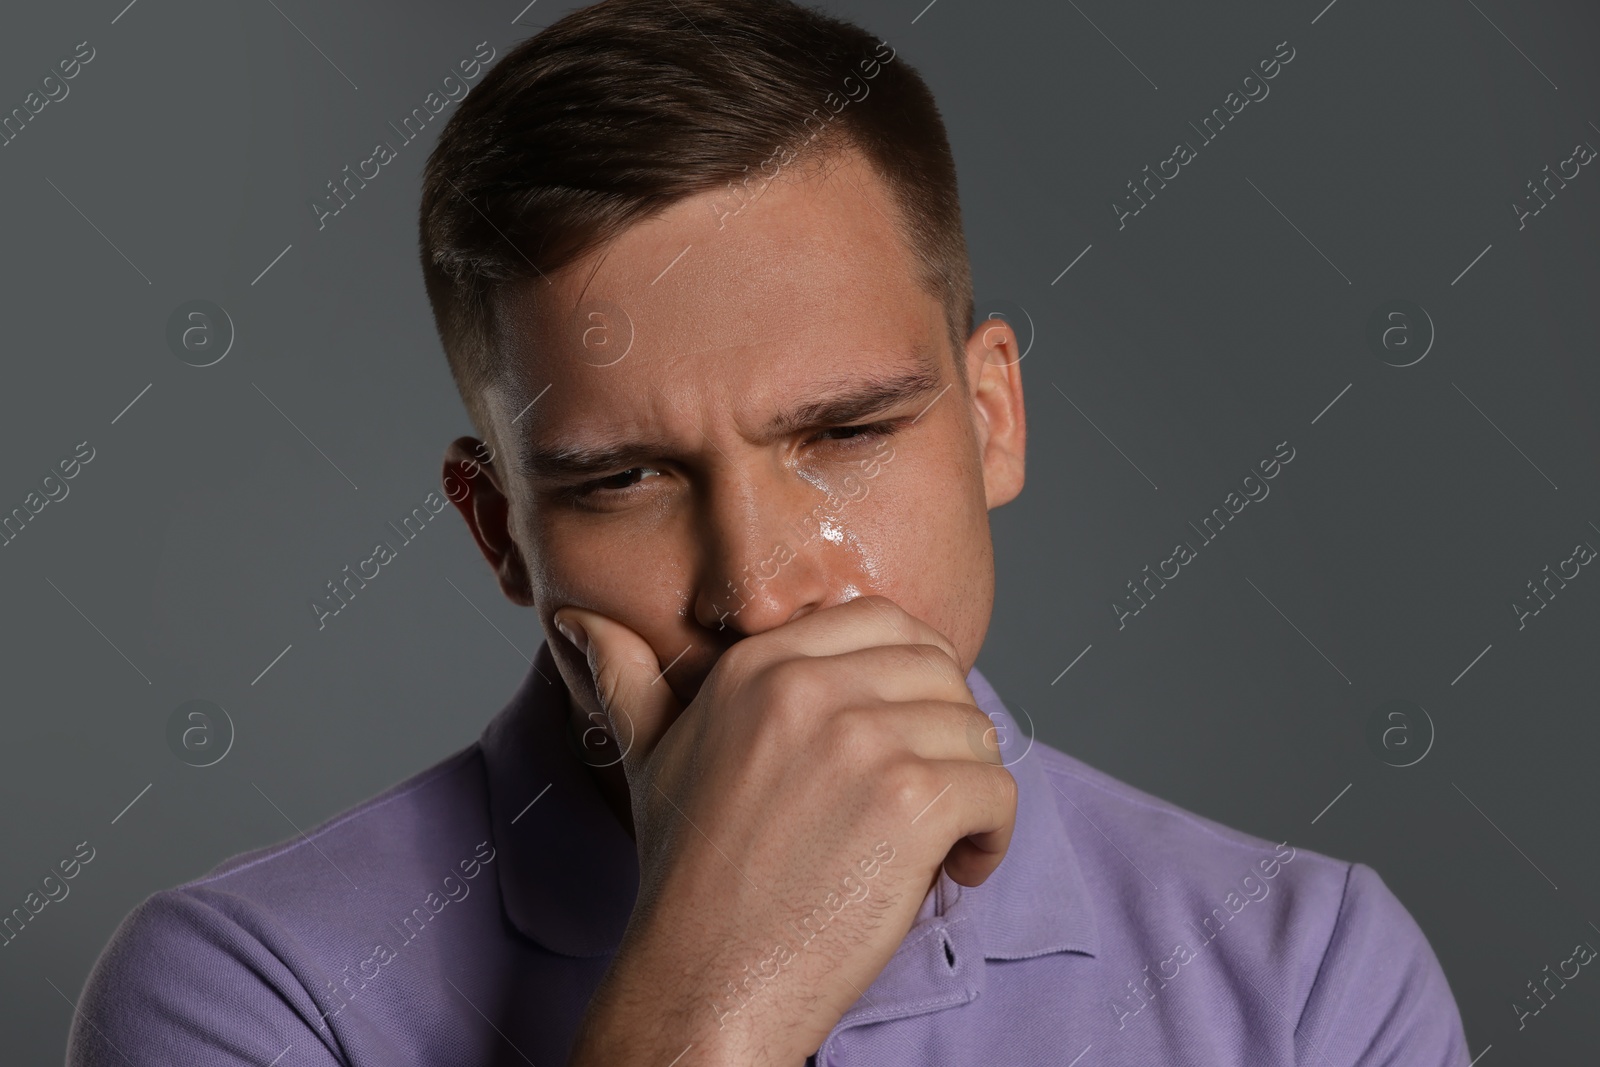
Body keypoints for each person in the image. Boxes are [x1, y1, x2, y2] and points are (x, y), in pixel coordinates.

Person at [67, 1, 1471, 1063]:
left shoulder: (1307, 981)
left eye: (847, 436)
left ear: (994, 419)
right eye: (623, 478)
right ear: (499, 530)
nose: (759, 587)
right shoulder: (247, 993)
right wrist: (713, 998)